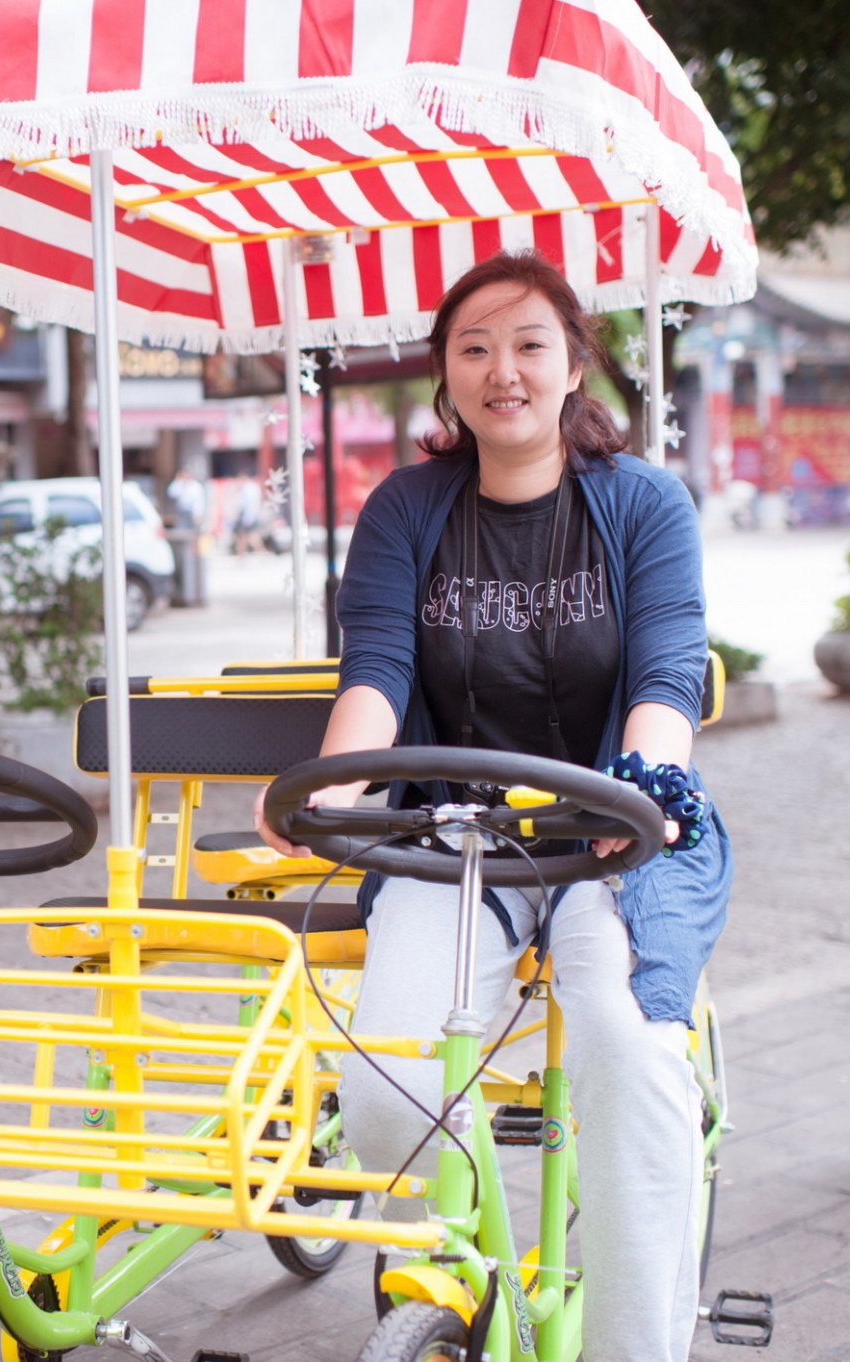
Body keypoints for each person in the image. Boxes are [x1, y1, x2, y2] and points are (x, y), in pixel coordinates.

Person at [254, 252, 729, 1362]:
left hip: (614, 834)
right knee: (386, 1097)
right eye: (473, 347)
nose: (501, 370)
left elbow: (667, 674)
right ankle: (473, 1281)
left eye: (527, 344)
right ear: (445, 374)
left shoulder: (643, 503)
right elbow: (373, 672)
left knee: (625, 1054)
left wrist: (641, 788)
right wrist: (330, 788)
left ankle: (631, 1347)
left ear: (574, 364)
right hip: (454, 838)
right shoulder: (407, 507)